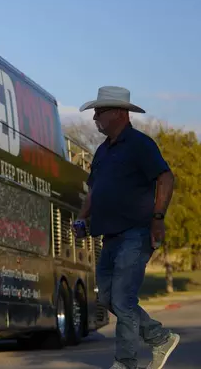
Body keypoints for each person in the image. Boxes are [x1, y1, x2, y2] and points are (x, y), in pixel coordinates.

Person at [74, 86, 179, 369]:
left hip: (136, 232)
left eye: (100, 111)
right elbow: (94, 191)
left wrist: (158, 217)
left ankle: (126, 362)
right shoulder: (101, 152)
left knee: (122, 298)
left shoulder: (140, 145)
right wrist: (82, 218)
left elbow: (165, 178)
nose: (95, 116)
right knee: (109, 298)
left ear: (119, 113)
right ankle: (159, 337)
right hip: (109, 236)